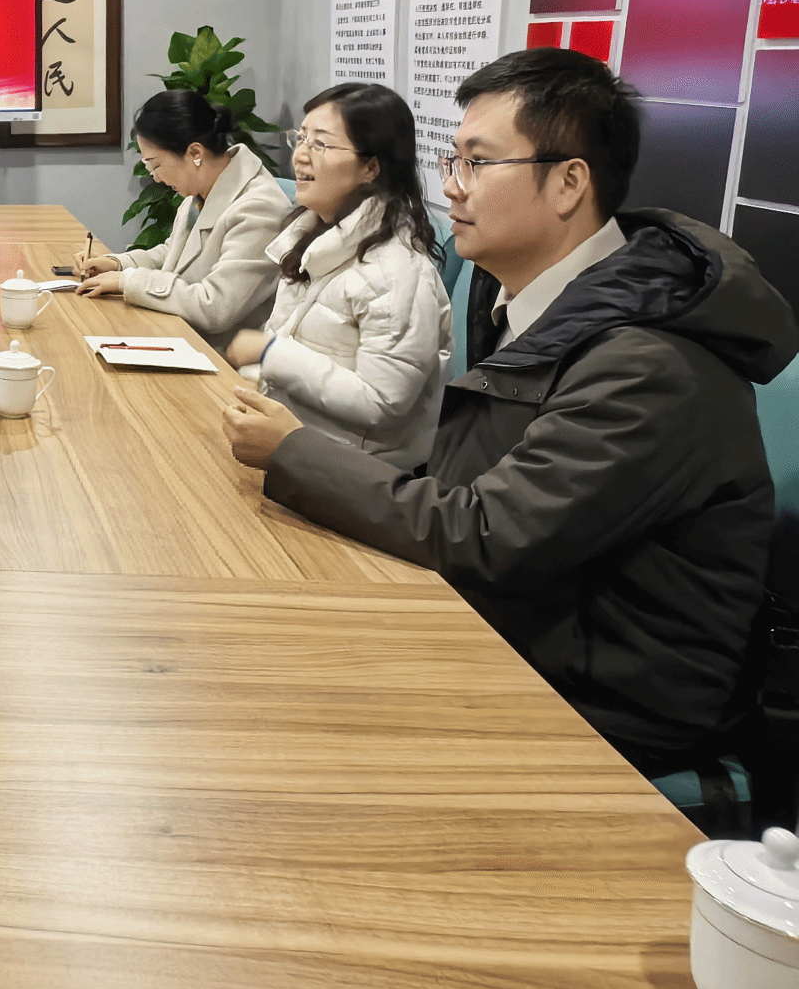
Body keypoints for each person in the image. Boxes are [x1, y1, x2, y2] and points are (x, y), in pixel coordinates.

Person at [224, 49, 799, 773]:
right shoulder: (531, 301)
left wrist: (292, 450)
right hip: (507, 630)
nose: (451, 187)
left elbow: (488, 534)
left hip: (594, 708)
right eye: (453, 160)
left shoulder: (649, 367)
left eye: (477, 163)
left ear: (568, 182)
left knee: (277, 718)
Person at [223, 83, 450, 470]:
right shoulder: (313, 236)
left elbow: (383, 401)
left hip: (355, 477)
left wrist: (270, 353)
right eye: (301, 138)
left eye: (321, 144)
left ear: (371, 167)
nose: (301, 155)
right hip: (293, 449)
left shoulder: (397, 271)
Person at [73, 90, 290, 351]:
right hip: (180, 337)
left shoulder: (259, 208)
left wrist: (127, 281)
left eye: (155, 165)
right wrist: (117, 264)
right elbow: (174, 253)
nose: (155, 177)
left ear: (195, 152)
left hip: (220, 357)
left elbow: (215, 306)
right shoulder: (200, 191)